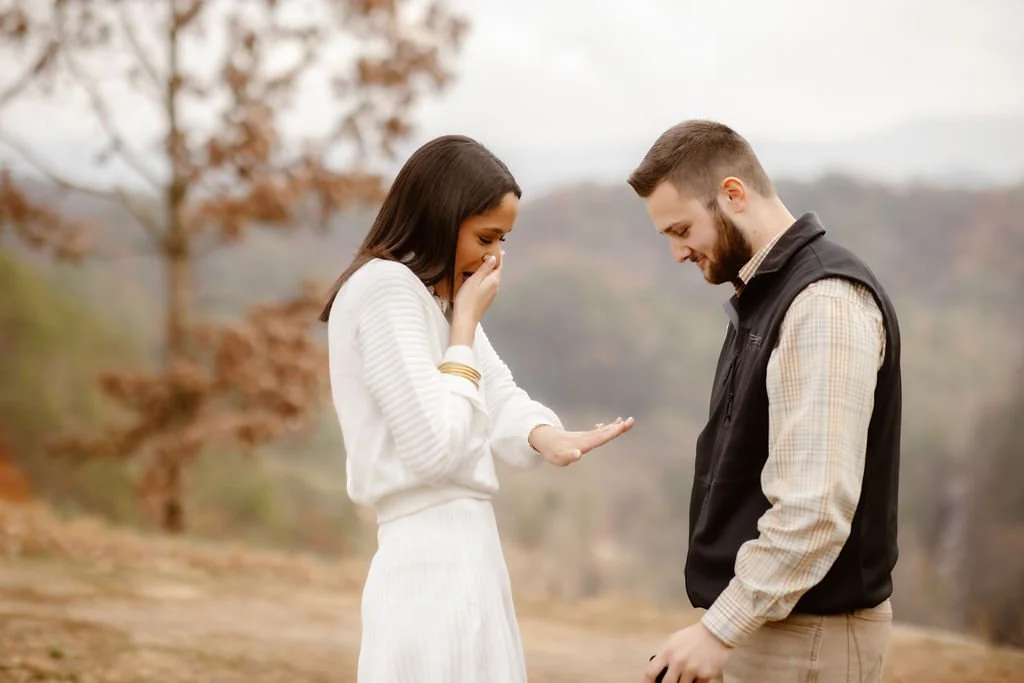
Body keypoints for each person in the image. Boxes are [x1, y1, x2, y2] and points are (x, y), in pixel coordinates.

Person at [319, 134, 635, 682]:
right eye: (486, 237)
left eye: (504, 240)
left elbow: (495, 391)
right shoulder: (387, 291)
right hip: (427, 558)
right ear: (440, 218)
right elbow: (434, 449)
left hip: (467, 551)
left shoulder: (434, 298)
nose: (494, 258)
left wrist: (544, 435)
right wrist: (464, 326)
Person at [627, 121, 901, 683]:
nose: (678, 252)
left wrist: (718, 628)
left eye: (682, 229)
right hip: (779, 626)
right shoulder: (767, 294)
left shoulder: (821, 302)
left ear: (733, 194)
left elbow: (815, 508)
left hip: (812, 637)